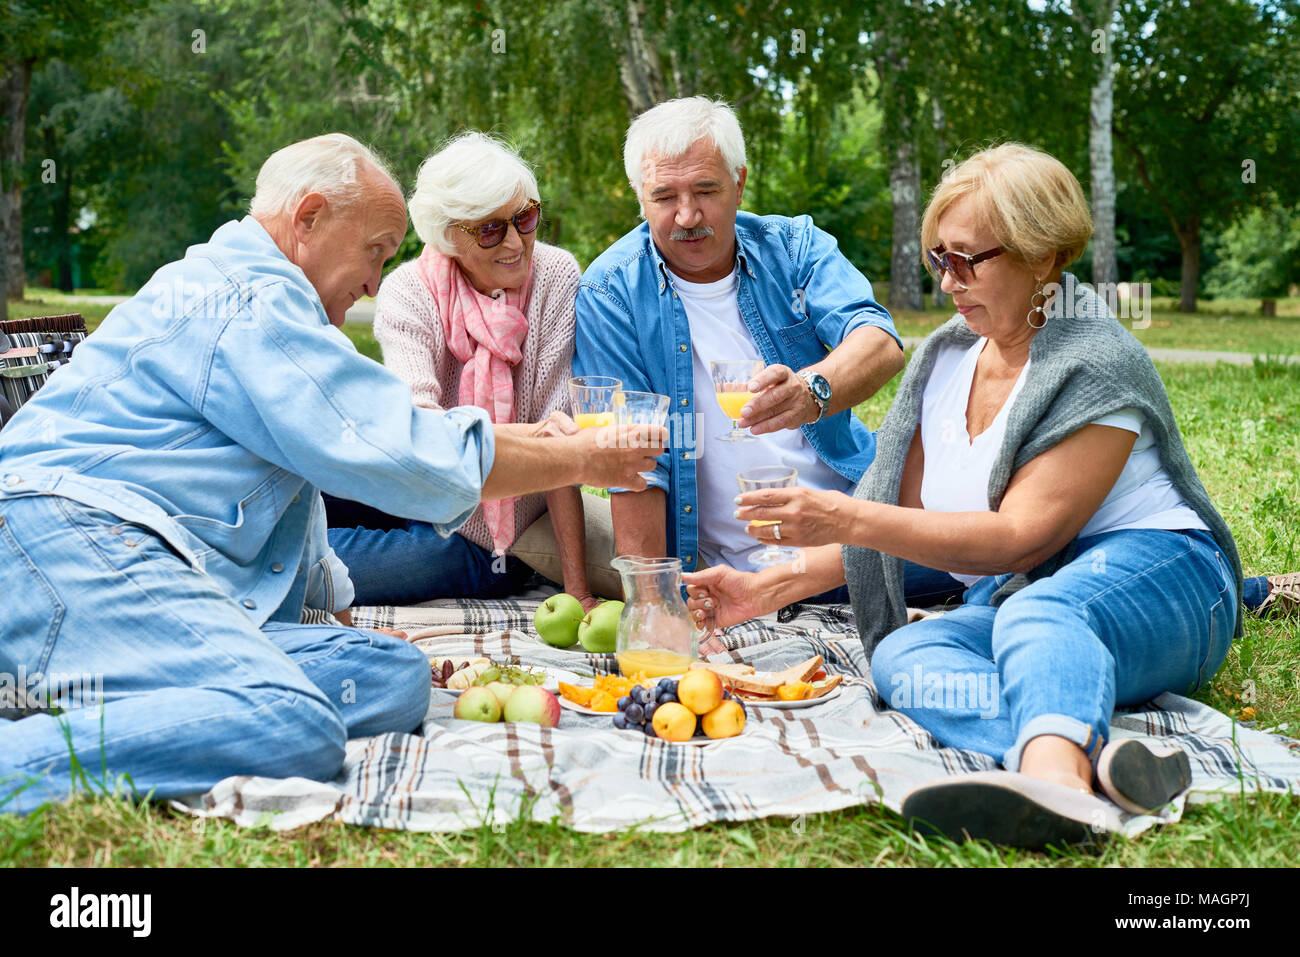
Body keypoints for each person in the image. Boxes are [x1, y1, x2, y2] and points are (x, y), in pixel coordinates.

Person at [0, 133, 663, 814]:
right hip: (61, 538)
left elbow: (303, 495)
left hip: (127, 566)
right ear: (308, 217)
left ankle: (111, 698)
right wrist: (583, 456)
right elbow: (395, 446)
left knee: (389, 677)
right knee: (295, 721)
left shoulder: (271, 304)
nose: (377, 279)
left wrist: (341, 617)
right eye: (375, 249)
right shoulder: (249, 297)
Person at [683, 143, 1243, 847]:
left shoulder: (1095, 360)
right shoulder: (946, 358)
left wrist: (839, 510)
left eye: (968, 259)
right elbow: (912, 522)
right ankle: (1084, 760)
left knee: (1040, 608)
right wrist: (770, 587)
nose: (949, 282)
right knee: (903, 658)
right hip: (1029, 600)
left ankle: (1060, 792)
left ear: (1043, 256)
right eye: (938, 259)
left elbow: (1019, 540)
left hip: (1167, 579)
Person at [572, 96, 961, 609]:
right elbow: (635, 464)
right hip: (728, 571)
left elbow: (878, 340)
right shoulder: (612, 290)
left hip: (853, 531)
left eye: (706, 190)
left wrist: (812, 389)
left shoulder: (794, 245)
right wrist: (654, 605)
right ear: (639, 197)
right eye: (664, 196)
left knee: (991, 556)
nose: (687, 215)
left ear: (740, 181)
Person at [324, 132, 600, 610]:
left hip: (490, 533)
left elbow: (563, 453)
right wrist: (537, 435)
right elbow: (422, 431)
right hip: (415, 482)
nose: (516, 242)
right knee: (293, 488)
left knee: (317, 566)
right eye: (490, 229)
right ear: (449, 235)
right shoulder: (409, 290)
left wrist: (578, 591)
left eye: (525, 218)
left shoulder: (556, 276)